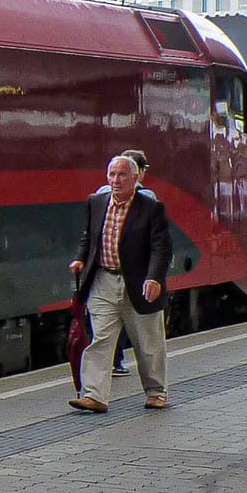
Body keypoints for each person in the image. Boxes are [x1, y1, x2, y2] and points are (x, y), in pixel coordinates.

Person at [69, 152, 171, 413]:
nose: (116, 180)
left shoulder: (150, 208)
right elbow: (88, 237)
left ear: (135, 178)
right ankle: (94, 395)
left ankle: (156, 392)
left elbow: (161, 248)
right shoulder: (97, 202)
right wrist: (80, 259)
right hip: (103, 279)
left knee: (148, 342)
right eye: (112, 175)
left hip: (138, 282)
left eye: (122, 175)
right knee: (101, 338)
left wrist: (154, 278)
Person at [103, 150, 155, 376]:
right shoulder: (148, 198)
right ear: (140, 172)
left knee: (107, 323)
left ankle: (111, 364)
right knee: (135, 321)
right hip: (134, 271)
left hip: (107, 271)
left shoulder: (100, 195)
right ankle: (153, 384)